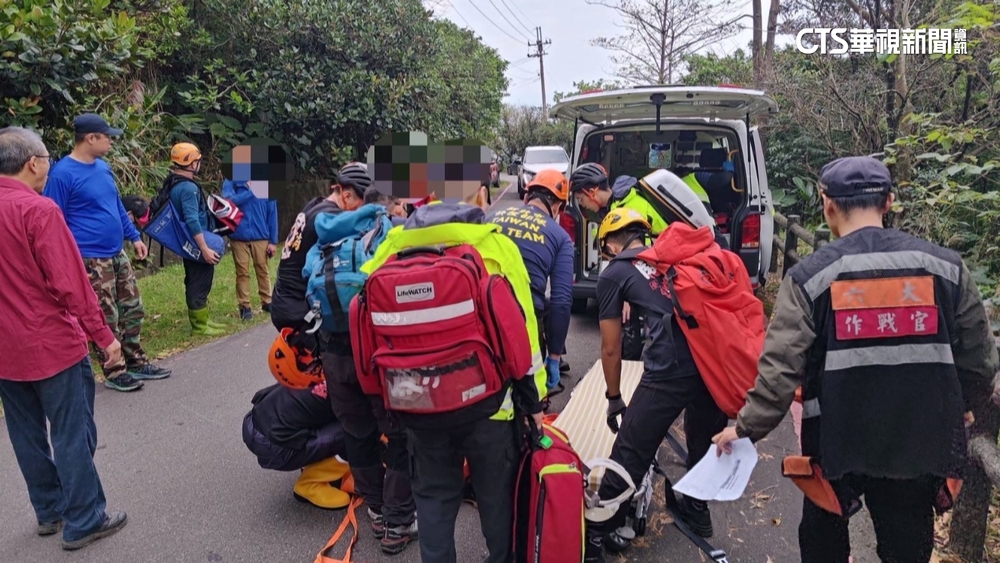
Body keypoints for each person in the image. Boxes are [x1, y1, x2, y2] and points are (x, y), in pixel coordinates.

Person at [713, 156, 1000, 563]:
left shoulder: (811, 277)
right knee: (906, 545)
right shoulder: (945, 267)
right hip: (918, 439)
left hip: (834, 441)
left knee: (823, 541)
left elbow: (779, 372)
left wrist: (745, 429)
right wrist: (965, 406)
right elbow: (980, 362)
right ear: (889, 202)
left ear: (826, 203)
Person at [359, 181, 548, 563]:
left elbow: (369, 333)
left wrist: (386, 405)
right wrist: (534, 403)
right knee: (497, 500)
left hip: (418, 405)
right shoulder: (495, 247)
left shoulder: (388, 251)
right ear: (479, 199)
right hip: (491, 408)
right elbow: (523, 333)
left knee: (432, 499)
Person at [0, 126, 129, 550]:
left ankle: (49, 510)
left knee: (26, 433)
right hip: (51, 342)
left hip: (5, 350)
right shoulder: (39, 211)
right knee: (73, 432)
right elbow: (72, 284)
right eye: (46, 160)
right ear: (33, 163)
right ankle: (84, 518)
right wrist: (105, 337)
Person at [584, 207, 729, 563]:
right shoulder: (673, 257)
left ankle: (598, 534)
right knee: (703, 437)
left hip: (670, 368)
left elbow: (611, 347)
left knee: (630, 449)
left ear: (610, 245)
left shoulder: (615, 272)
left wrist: (614, 397)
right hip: (714, 361)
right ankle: (697, 508)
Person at [319, 162, 419, 556]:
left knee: (357, 433)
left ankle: (376, 509)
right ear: (391, 204)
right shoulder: (392, 234)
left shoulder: (330, 236)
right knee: (399, 433)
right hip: (377, 354)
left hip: (334, 351)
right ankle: (398, 521)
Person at [43, 113, 170, 392]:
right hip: (90, 257)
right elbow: (53, 220)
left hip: (116, 252)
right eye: (107, 137)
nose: (111, 142)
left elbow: (115, 206)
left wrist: (134, 237)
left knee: (133, 307)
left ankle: (136, 361)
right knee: (105, 314)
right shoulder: (62, 175)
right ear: (91, 138)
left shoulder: (102, 167)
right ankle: (115, 370)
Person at [488, 169, 574, 394]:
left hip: (482, 313)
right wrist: (554, 357)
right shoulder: (560, 238)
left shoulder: (492, 217)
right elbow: (562, 301)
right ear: (558, 207)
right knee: (529, 398)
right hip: (523, 322)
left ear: (527, 197)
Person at [241, 379, 351, 510]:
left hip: (261, 415)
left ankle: (314, 459)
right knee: (357, 433)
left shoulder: (336, 367)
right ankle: (309, 484)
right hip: (273, 444)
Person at [167, 142, 226, 336]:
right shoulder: (187, 188)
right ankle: (200, 326)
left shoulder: (174, 182)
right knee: (199, 280)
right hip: (196, 240)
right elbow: (191, 219)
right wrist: (204, 248)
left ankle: (203, 320)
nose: (199, 164)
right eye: (198, 161)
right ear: (192, 164)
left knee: (195, 278)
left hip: (188, 240)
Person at [221, 178, 279, 320]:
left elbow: (272, 213)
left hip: (261, 235)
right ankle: (244, 306)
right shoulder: (232, 181)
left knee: (262, 268)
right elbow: (228, 202)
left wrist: (273, 241)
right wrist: (252, 192)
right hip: (238, 236)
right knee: (242, 272)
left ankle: (267, 301)